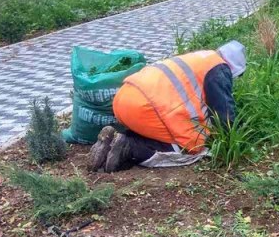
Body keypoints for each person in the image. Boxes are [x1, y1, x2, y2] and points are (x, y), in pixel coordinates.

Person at [87, 41, 246, 172]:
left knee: (159, 132)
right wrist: (232, 142)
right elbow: (223, 111)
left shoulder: (201, 57)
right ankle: (130, 147)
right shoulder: (219, 68)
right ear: (233, 67)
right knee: (186, 148)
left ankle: (115, 141)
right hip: (145, 107)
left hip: (124, 97)